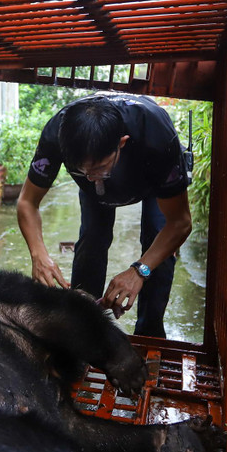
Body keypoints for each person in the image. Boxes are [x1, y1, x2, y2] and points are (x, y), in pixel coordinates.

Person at [17, 93, 192, 337]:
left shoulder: (156, 136)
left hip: (150, 179)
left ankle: (150, 332)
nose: (91, 177)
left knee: (157, 240)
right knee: (92, 238)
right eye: (82, 170)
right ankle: (83, 326)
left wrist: (139, 270)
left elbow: (180, 223)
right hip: (97, 194)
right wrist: (39, 255)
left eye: (99, 168)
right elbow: (27, 202)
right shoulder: (56, 134)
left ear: (121, 143)